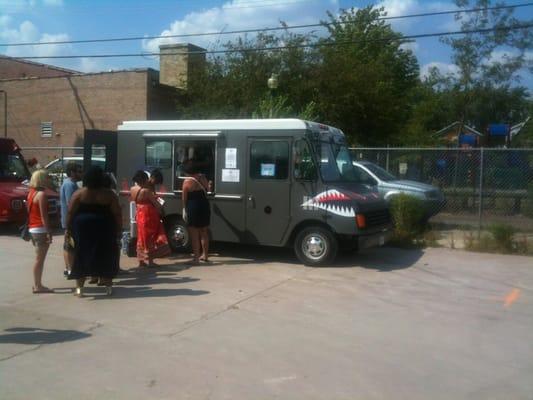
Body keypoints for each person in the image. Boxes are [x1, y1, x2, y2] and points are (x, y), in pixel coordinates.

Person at [67, 166, 122, 297]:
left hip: (82, 227)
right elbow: (117, 213)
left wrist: (68, 228)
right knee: (107, 255)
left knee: (81, 254)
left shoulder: (79, 193)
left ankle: (79, 289)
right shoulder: (109, 194)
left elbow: (70, 212)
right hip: (105, 226)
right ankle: (108, 288)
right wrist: (118, 230)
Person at [130, 170, 170, 267]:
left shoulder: (133, 189)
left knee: (141, 238)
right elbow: (157, 205)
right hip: (148, 215)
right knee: (150, 237)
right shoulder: (146, 191)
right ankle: (151, 262)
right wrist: (161, 210)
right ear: (144, 179)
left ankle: (141, 260)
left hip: (139, 214)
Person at [27, 169, 54, 293]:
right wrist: (49, 231)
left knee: (38, 258)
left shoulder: (31, 193)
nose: (49, 179)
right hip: (40, 229)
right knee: (39, 259)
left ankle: (37, 284)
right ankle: (38, 285)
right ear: (42, 179)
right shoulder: (41, 195)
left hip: (33, 228)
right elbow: (44, 216)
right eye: (47, 177)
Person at [182, 160, 211, 264]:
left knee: (194, 234)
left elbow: (184, 198)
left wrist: (185, 209)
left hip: (193, 207)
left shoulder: (186, 182)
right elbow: (208, 189)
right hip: (204, 205)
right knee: (204, 232)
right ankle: (205, 255)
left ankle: (196, 258)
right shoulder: (202, 178)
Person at [60, 162, 82, 278]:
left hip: (69, 218)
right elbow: (71, 203)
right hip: (71, 219)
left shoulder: (70, 183)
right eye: (79, 171)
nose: (81, 173)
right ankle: (70, 269)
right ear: (72, 172)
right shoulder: (70, 185)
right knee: (70, 245)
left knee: (68, 243)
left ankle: (68, 268)